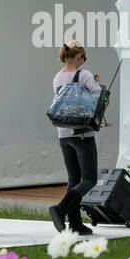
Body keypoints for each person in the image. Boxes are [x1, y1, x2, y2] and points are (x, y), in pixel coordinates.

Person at [48, 42, 104, 235]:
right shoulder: (85, 75)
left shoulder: (57, 77)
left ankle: (75, 224)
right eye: (84, 57)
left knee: (74, 179)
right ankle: (61, 208)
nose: (85, 60)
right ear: (78, 56)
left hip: (63, 134)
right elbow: (98, 97)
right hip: (82, 133)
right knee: (89, 179)